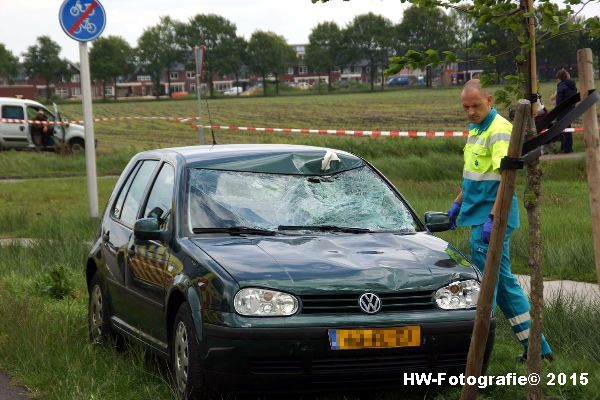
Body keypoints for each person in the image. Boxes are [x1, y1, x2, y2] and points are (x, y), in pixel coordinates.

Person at [447, 79, 553, 362]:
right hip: (478, 217)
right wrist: (457, 203)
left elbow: (506, 181)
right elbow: (476, 176)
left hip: (491, 221)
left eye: (476, 105)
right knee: (503, 285)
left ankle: (476, 356)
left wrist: (493, 218)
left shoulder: (499, 131)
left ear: (490, 100)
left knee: (487, 289)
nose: (470, 111)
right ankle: (538, 350)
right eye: (466, 107)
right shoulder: (476, 130)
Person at [553, 69, 577, 153]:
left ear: (560, 77)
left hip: (562, 112)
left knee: (563, 131)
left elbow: (559, 101)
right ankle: (568, 148)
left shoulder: (561, 87)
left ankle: (565, 149)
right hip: (571, 110)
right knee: (568, 130)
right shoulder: (572, 86)